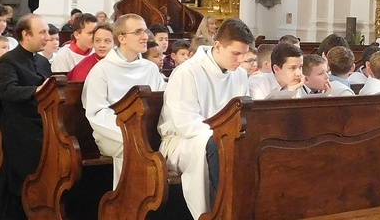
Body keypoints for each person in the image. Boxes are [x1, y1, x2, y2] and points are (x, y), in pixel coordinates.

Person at [158, 17, 254, 218]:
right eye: (235, 54)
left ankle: (249, 207)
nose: (239, 60)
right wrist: (224, 134)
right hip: (182, 142)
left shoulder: (239, 75)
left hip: (222, 139)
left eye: (244, 55)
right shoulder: (187, 72)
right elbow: (185, 123)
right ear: (217, 45)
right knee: (215, 144)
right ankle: (225, 211)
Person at [83, 15, 165, 186]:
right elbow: (96, 113)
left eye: (145, 31)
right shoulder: (102, 71)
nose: (145, 37)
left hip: (147, 131)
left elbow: (161, 102)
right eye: (138, 32)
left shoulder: (150, 68)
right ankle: (126, 202)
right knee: (133, 148)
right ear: (122, 38)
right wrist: (130, 132)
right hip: (112, 135)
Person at [0, 13, 52, 220]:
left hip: (43, 118)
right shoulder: (7, 61)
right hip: (18, 121)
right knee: (38, 155)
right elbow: (7, 92)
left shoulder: (43, 61)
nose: (47, 36)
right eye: (42, 32)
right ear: (26, 35)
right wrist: (38, 90)